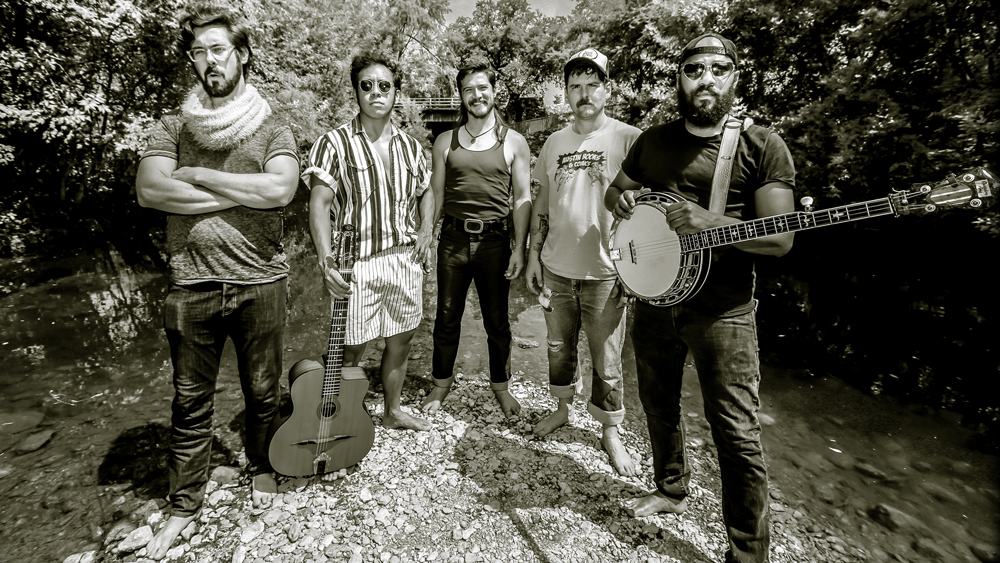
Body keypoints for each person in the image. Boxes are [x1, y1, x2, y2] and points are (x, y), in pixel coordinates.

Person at [605, 33, 795, 563]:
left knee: (736, 432)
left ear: (735, 77)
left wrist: (711, 222)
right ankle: (671, 489)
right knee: (657, 404)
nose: (705, 79)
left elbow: (780, 238)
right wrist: (621, 201)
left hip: (725, 313)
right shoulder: (653, 141)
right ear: (680, 79)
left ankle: (748, 553)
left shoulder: (761, 145)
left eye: (717, 68)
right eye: (693, 69)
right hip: (654, 300)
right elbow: (615, 189)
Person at [134, 6, 299, 560]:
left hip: (262, 281)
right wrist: (243, 190)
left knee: (263, 391)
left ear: (242, 55)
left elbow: (281, 190)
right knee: (189, 402)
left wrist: (200, 175)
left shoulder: (274, 126)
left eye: (218, 50)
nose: (209, 61)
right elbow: (150, 191)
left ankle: (262, 466)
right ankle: (184, 505)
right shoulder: (173, 126)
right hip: (191, 284)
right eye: (199, 52)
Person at [303, 54, 435, 435]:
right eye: (367, 85)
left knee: (401, 340)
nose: (376, 92)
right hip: (355, 264)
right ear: (356, 91)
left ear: (396, 93)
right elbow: (319, 205)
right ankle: (337, 419)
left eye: (384, 85)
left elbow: (426, 192)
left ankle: (392, 412)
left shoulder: (411, 147)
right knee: (350, 347)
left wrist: (426, 229)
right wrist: (326, 260)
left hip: (404, 260)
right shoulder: (334, 143)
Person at [524, 49, 641, 477]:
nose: (584, 94)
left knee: (607, 358)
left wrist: (637, 271)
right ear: (566, 93)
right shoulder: (554, 142)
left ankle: (610, 430)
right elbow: (541, 203)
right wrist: (533, 255)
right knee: (558, 349)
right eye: (575, 86)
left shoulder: (630, 139)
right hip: (556, 269)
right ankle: (562, 408)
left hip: (608, 274)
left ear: (607, 89)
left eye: (593, 85)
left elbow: (651, 208)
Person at [420, 63, 532, 418]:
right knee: (446, 317)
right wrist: (427, 236)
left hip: (495, 243)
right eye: (468, 89)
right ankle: (441, 382)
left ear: (494, 92)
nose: (476, 95)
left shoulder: (514, 142)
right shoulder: (445, 142)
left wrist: (520, 248)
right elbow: (436, 193)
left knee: (497, 321)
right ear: (461, 96)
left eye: (482, 87)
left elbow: (522, 198)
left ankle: (501, 385)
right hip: (452, 240)